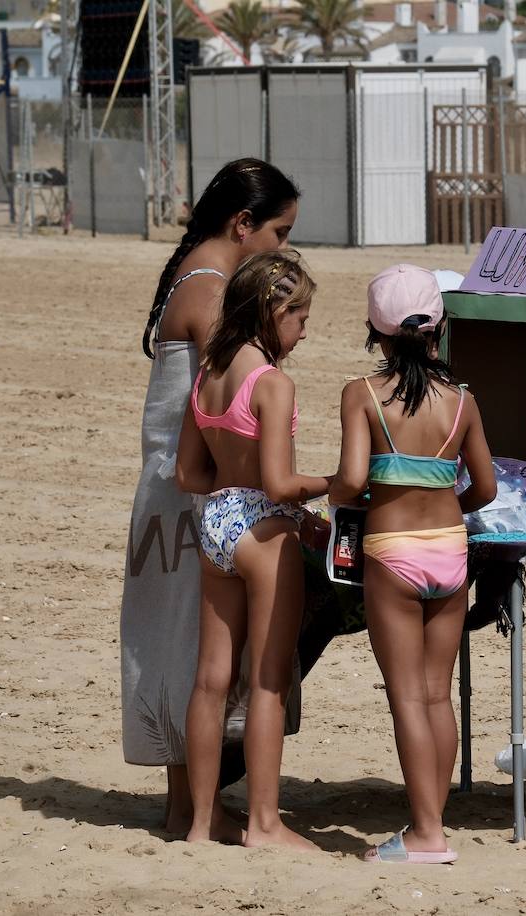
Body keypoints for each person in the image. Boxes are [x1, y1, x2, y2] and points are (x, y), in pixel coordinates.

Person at [119, 158, 300, 838]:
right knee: (201, 655)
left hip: (185, 490)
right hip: (194, 496)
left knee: (190, 650)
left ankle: (189, 810)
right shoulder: (215, 290)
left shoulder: (194, 273)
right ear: (242, 223)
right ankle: (203, 808)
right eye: (278, 233)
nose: (283, 247)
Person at [331, 264, 496, 865]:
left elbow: (351, 479)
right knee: (436, 695)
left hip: (392, 552)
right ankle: (433, 820)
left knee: (405, 698)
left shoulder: (362, 394)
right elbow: (487, 488)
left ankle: (427, 833)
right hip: (450, 551)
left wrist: (339, 497)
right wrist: (447, 498)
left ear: (375, 333)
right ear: (439, 327)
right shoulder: (464, 402)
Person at [175, 250, 328, 850]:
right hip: (265, 530)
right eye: (300, 317)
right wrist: (338, 485)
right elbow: (281, 484)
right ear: (273, 311)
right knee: (267, 681)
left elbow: (189, 472)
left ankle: (200, 821)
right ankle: (264, 823)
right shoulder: (272, 384)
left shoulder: (209, 374)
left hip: (215, 524)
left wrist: (230, 488)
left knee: (210, 681)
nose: (304, 330)